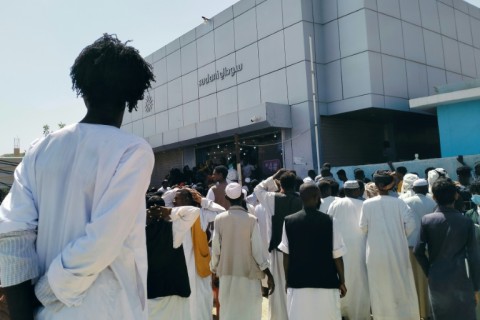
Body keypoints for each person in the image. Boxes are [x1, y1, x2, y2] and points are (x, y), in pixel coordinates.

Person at [0, 34, 155, 319]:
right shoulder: (133, 151)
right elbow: (102, 241)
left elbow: (11, 233)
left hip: (43, 313)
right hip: (108, 308)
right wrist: (47, 292)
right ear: (132, 96)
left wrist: (28, 310)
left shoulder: (40, 149)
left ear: (82, 91)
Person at [278, 182, 346, 320]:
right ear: (317, 197)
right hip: (326, 281)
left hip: (298, 282)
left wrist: (287, 280)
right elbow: (337, 255)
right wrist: (342, 281)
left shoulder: (289, 221)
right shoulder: (330, 221)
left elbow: (286, 255)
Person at [415, 178, 480, 320]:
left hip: (437, 279)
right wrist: (476, 287)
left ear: (433, 197)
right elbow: (473, 257)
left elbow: (418, 251)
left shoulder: (426, 220)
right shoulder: (466, 221)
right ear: (456, 195)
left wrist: (429, 272)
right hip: (462, 278)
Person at [359, 170, 419, 320]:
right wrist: (399, 234)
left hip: (376, 254)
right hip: (398, 250)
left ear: (377, 185)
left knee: (380, 288)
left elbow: (362, 228)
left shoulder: (367, 204)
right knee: (402, 284)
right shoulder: (400, 203)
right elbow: (411, 225)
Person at [210, 183, 274, 320]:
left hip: (226, 273)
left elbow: (216, 249)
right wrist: (268, 272)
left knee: (229, 310)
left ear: (226, 197)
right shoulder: (251, 220)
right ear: (242, 197)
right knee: (249, 311)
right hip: (249, 274)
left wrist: (214, 269)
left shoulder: (219, 219)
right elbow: (257, 251)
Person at [254, 169, 303, 320]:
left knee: (280, 286)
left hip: (278, 250)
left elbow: (257, 189)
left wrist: (274, 175)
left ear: (279, 185)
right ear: (295, 185)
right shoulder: (303, 199)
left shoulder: (272, 199)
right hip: (299, 250)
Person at [173, 188, 225, 320]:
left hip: (199, 265)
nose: (174, 201)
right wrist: (179, 189)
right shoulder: (173, 214)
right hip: (180, 266)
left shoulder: (201, 214)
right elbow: (165, 199)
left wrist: (203, 201)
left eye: (177, 198)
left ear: (186, 200)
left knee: (202, 297)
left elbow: (222, 212)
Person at [146, 201, 200, 319]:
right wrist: (170, 211)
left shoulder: (138, 232)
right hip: (174, 291)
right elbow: (194, 211)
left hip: (150, 292)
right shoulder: (174, 229)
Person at [327, 181, 369, 320]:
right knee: (359, 282)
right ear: (357, 191)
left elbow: (329, 223)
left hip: (339, 250)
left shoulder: (335, 204)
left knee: (343, 280)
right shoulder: (363, 205)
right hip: (359, 249)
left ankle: (342, 314)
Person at [403, 179, 436, 320]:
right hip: (431, 246)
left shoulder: (406, 202)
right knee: (430, 281)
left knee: (417, 281)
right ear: (426, 188)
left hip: (412, 246)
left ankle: (421, 313)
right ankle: (432, 311)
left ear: (414, 189)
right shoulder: (433, 202)